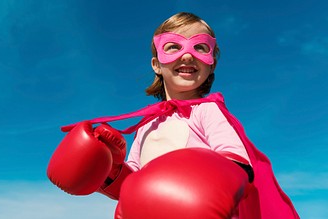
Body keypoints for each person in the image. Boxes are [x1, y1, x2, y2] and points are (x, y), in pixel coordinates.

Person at [47, 12, 300, 219]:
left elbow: (238, 165)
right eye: (173, 47)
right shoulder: (146, 126)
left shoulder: (206, 111)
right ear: (157, 65)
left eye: (200, 47)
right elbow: (132, 187)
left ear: (211, 63)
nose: (187, 54)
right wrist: (110, 168)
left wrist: (201, 192)